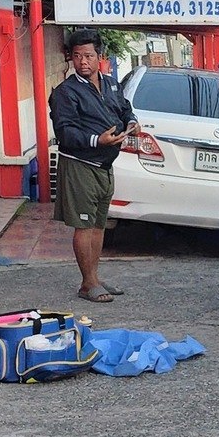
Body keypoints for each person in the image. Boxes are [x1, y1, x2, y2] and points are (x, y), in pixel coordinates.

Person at [49, 30, 136, 303]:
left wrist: (132, 122)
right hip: (80, 165)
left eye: (88, 56)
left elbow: (124, 109)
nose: (82, 62)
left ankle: (94, 277)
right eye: (77, 56)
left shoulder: (111, 84)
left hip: (105, 165)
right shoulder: (65, 92)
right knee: (84, 226)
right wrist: (98, 140)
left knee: (99, 224)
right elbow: (65, 132)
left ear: (101, 57)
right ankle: (87, 284)